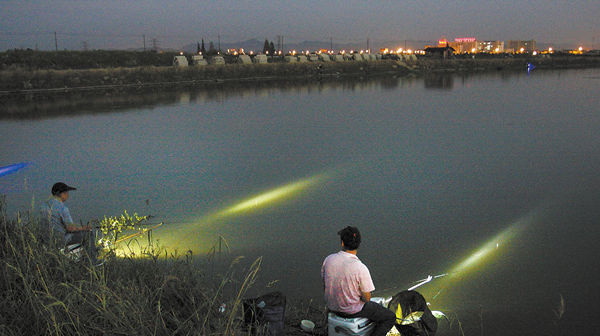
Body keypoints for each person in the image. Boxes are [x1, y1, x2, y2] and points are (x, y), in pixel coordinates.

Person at [321, 226, 396, 336]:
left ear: (342, 243)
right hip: (352, 311)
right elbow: (367, 298)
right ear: (358, 244)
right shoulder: (360, 268)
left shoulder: (328, 260)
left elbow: (325, 285)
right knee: (390, 317)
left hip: (332, 307)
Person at [40, 182, 98, 264]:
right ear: (62, 194)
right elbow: (70, 228)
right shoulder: (63, 208)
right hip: (61, 239)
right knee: (88, 235)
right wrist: (84, 228)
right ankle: (92, 263)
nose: (68, 195)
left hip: (47, 240)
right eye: (67, 192)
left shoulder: (44, 206)